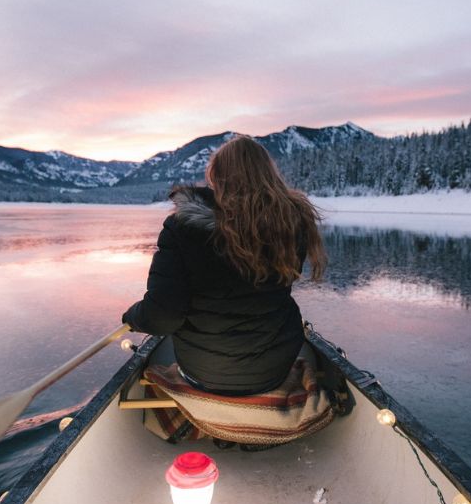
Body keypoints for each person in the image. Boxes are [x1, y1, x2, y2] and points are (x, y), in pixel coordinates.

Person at [122, 135, 327, 396]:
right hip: (274, 371)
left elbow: (162, 317)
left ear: (216, 178)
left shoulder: (182, 228)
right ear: (268, 174)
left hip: (204, 374)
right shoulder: (290, 225)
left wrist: (132, 317)